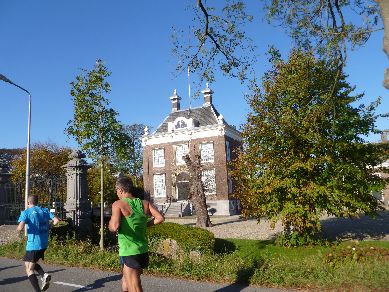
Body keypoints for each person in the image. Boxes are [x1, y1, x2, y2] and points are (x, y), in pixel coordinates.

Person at [109, 176, 164, 292]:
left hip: (129, 251)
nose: (116, 193)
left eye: (116, 190)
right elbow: (160, 218)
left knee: (135, 287)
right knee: (125, 280)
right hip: (142, 250)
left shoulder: (118, 204)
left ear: (120, 190)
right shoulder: (144, 203)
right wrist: (145, 224)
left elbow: (114, 227)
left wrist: (111, 225)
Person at [17, 195, 60, 291]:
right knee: (27, 263)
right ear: (37, 202)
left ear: (28, 202)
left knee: (29, 269)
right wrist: (49, 226)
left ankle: (38, 288)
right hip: (44, 243)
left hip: (33, 244)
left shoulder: (26, 212)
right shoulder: (44, 210)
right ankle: (44, 275)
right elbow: (56, 220)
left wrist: (19, 229)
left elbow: (20, 228)